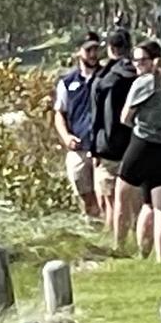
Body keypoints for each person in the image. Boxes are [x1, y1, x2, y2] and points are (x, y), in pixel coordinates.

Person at [120, 41, 161, 261]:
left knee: (123, 194)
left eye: (142, 61)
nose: (138, 65)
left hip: (144, 143)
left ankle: (122, 246)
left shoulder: (144, 82)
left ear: (153, 60)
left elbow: (125, 117)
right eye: (135, 61)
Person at [91, 28, 136, 243]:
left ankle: (116, 242)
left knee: (110, 200)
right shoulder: (139, 74)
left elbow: (98, 116)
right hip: (135, 144)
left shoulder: (105, 79)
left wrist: (94, 147)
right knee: (135, 199)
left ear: (110, 48)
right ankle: (138, 240)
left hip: (108, 146)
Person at [54, 33, 104, 218]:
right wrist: (66, 137)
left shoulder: (107, 77)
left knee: (106, 197)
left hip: (103, 149)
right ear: (78, 52)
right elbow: (59, 113)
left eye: (95, 49)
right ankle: (92, 232)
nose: (93, 54)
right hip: (79, 148)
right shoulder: (67, 82)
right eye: (88, 49)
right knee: (86, 197)